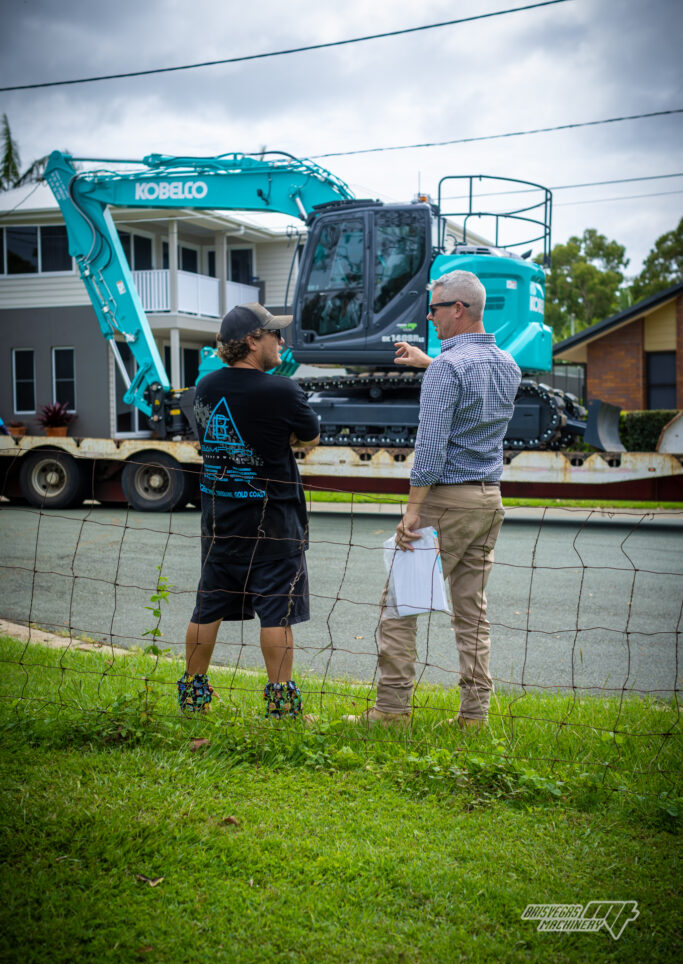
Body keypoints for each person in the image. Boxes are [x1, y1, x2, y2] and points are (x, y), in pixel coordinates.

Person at [348, 270, 521, 729]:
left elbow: (430, 449)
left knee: (399, 604)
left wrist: (412, 510)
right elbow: (470, 385)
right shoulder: (507, 364)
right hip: (488, 500)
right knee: (472, 612)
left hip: (445, 502)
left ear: (458, 309)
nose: (429, 316)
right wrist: (430, 362)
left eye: (435, 308)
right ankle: (474, 716)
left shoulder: (448, 368)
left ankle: (391, 710)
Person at [178, 302, 320, 719]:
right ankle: (282, 707)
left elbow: (209, 438)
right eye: (274, 334)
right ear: (252, 341)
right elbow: (310, 438)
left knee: (207, 607)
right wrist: (280, 437)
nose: (281, 340)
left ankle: (193, 699)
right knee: (276, 614)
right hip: (273, 525)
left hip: (219, 522)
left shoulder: (205, 387)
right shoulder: (282, 391)